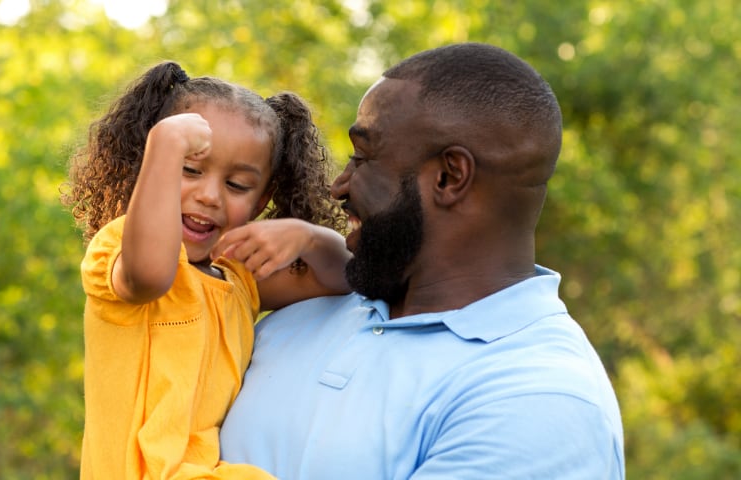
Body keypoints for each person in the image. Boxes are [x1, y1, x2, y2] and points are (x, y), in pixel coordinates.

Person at [220, 43, 625, 479]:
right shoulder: (306, 305)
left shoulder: (537, 399)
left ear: (449, 177)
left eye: (363, 157)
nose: (339, 187)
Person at [62, 61, 350, 479]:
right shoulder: (119, 247)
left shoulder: (237, 275)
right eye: (189, 170)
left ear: (262, 197)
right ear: (152, 168)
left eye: (237, 185)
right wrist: (165, 145)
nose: (209, 196)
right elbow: (150, 275)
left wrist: (308, 236)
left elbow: (342, 277)